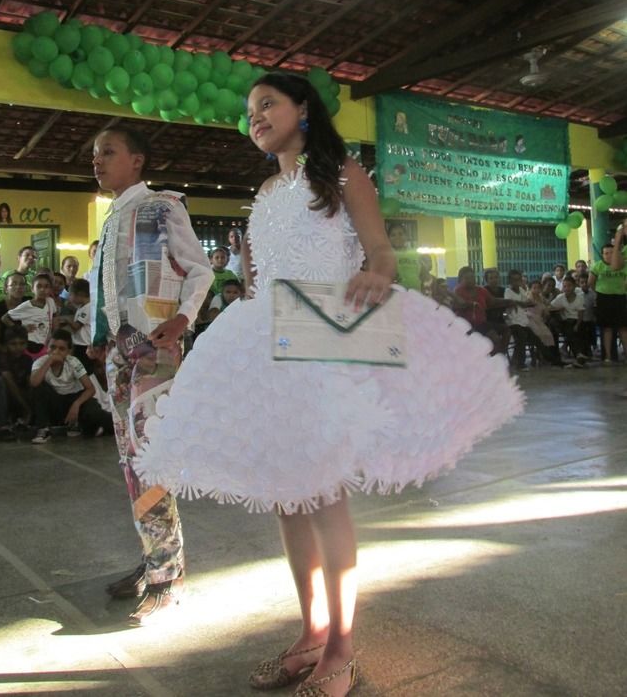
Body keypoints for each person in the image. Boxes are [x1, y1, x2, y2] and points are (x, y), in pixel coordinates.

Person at [134, 72, 523, 695]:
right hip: (269, 339)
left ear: (303, 110)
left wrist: (376, 274)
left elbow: (382, 251)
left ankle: (341, 647)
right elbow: (261, 281)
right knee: (289, 496)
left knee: (322, 493)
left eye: (268, 104)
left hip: (326, 338)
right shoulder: (265, 188)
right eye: (250, 110)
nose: (256, 116)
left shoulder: (342, 174)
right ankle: (311, 632)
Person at [88, 125, 213, 626]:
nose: (97, 162)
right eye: (94, 155)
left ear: (137, 160)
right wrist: (98, 335)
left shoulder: (163, 207)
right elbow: (108, 293)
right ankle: (153, 558)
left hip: (156, 351)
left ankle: (169, 575)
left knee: (150, 455)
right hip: (119, 358)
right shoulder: (112, 220)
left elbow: (200, 271)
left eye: (107, 153)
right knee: (129, 459)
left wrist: (183, 319)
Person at [30, 328, 107, 443]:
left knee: (94, 409)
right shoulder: (40, 362)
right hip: (54, 402)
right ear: (47, 347)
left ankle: (82, 426)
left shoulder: (73, 362)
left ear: (69, 351)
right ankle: (43, 429)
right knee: (38, 389)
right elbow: (34, 383)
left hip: (72, 399)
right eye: (52, 347)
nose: (56, 352)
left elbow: (90, 389)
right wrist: (49, 361)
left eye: (61, 349)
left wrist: (76, 404)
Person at [589, 227, 627, 364]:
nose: (608, 255)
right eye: (605, 253)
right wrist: (600, 290)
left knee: (623, 327)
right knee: (607, 328)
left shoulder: (623, 266)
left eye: (611, 253)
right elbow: (591, 283)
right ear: (602, 254)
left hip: (620, 298)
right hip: (604, 299)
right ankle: (608, 357)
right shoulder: (598, 266)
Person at [452, 266, 511, 355]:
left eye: (472, 277)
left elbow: (493, 301)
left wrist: (512, 302)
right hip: (465, 325)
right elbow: (458, 305)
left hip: (481, 323)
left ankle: (498, 357)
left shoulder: (481, 290)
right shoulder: (458, 291)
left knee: (496, 339)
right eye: (467, 278)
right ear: (461, 279)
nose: (470, 280)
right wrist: (468, 305)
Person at [2, 272, 57, 357]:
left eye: (46, 286)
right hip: (30, 345)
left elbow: (54, 317)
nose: (43, 289)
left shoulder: (50, 302)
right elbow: (5, 318)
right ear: (32, 289)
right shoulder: (26, 306)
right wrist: (20, 329)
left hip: (46, 344)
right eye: (39, 286)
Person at [549, 275, 589, 365]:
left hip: (577, 321)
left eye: (569, 286)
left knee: (574, 330)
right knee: (567, 328)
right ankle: (579, 354)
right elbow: (549, 307)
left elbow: (580, 314)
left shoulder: (579, 298)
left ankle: (579, 354)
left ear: (574, 286)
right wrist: (558, 309)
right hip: (565, 322)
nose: (567, 288)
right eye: (565, 286)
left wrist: (577, 325)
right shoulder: (560, 297)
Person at [504, 269, 534, 373]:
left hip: (523, 319)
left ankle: (539, 358)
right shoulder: (508, 291)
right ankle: (520, 363)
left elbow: (526, 301)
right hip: (513, 321)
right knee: (521, 336)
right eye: (514, 280)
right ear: (510, 281)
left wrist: (525, 303)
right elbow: (510, 302)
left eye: (519, 280)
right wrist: (521, 303)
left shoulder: (522, 290)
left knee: (535, 334)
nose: (517, 282)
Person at [387, 221, 423, 291]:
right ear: (388, 238)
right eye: (393, 235)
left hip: (416, 294)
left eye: (400, 234)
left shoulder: (415, 254)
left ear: (406, 236)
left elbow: (423, 274)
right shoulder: (387, 255)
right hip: (396, 294)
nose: (397, 237)